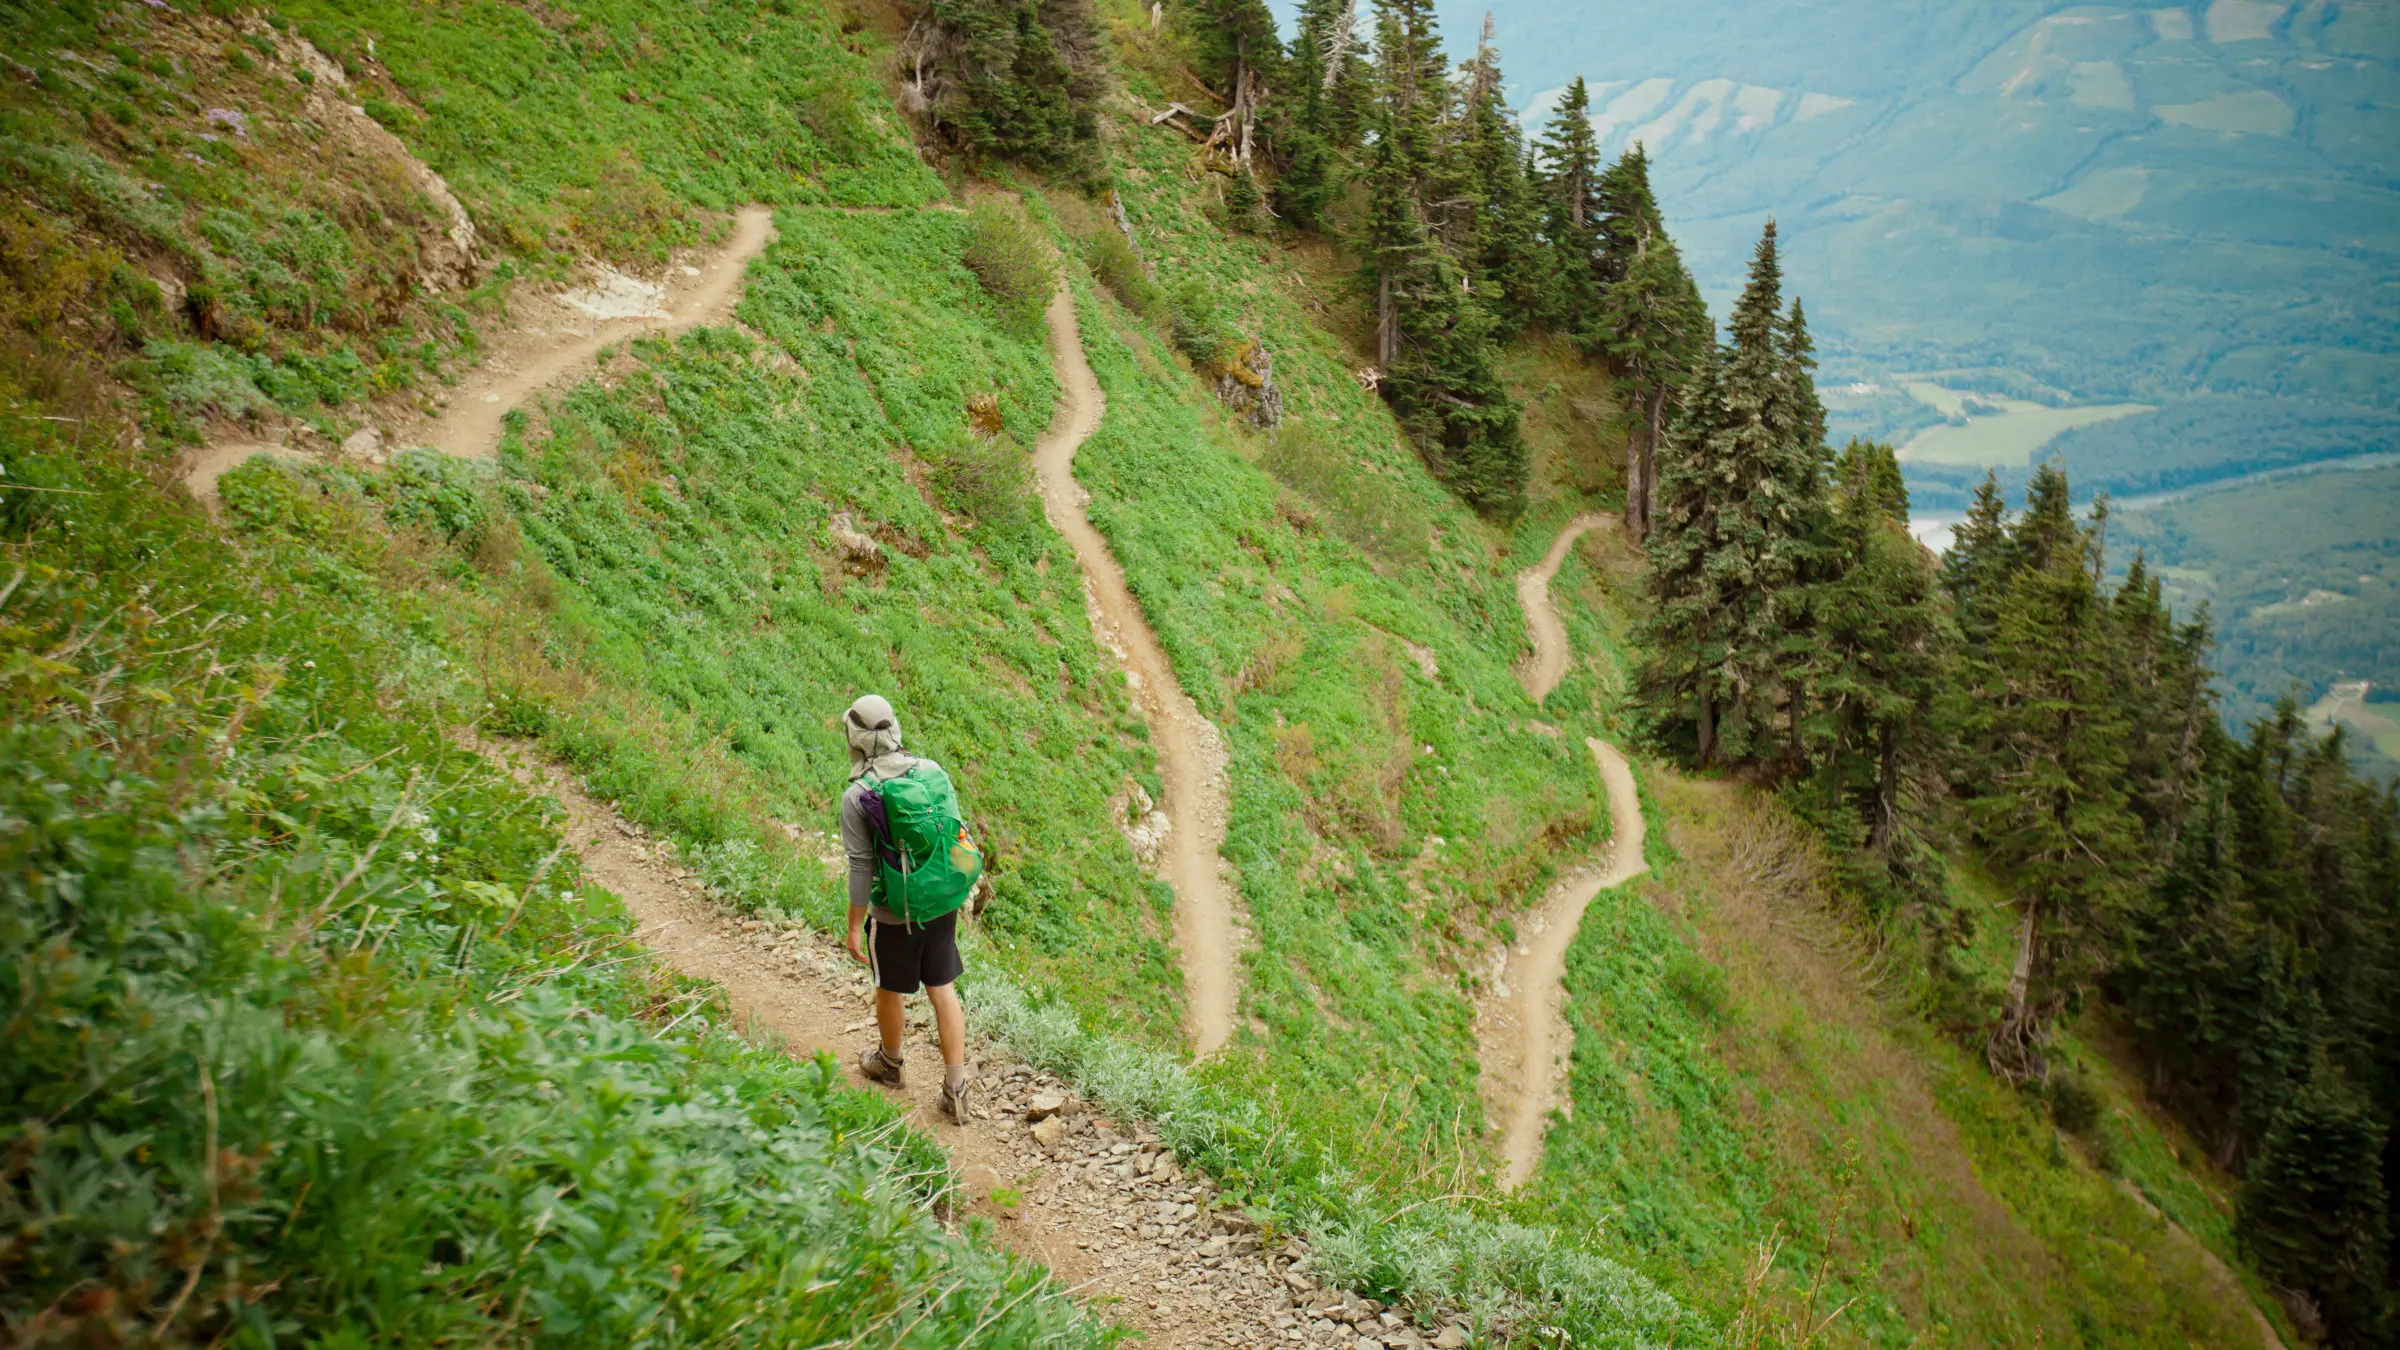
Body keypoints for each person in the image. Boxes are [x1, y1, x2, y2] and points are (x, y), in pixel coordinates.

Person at [839, 693, 974, 1123]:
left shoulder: (859, 795)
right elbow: (954, 831)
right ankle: (956, 1087)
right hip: (940, 899)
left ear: (855, 739)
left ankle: (891, 1063)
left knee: (889, 986)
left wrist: (856, 924)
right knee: (942, 988)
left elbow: (861, 866)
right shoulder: (931, 770)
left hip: (895, 909)